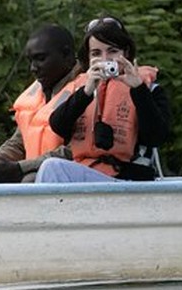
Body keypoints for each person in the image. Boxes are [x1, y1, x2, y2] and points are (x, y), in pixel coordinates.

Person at [35, 16, 171, 183]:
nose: (105, 59)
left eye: (112, 51)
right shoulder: (82, 87)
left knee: (52, 168)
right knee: (50, 168)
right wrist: (86, 93)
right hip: (88, 173)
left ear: (126, 53)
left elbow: (157, 136)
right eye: (96, 53)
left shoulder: (149, 89)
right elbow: (58, 125)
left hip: (129, 180)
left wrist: (138, 89)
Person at [0, 24, 82, 183]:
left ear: (67, 55)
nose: (33, 68)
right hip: (31, 168)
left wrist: (20, 167)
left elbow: (76, 151)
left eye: (41, 59)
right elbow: (18, 143)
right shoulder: (38, 91)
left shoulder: (86, 92)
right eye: (31, 61)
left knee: (31, 180)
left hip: (67, 173)